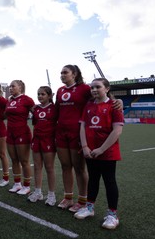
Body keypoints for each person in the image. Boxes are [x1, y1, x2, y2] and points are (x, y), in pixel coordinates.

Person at [74, 78, 124, 230]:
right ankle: (89, 208)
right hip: (90, 151)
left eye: (98, 87)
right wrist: (85, 147)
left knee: (109, 181)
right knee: (93, 179)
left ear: (107, 88)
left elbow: (117, 130)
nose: (94, 90)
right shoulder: (88, 105)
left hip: (107, 152)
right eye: (92, 87)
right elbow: (82, 127)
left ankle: (112, 215)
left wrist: (101, 149)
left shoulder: (114, 105)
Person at [55, 65, 91, 211]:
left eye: (65, 72)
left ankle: (82, 200)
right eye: (61, 73)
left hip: (77, 133)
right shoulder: (60, 90)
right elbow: (56, 110)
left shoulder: (85, 88)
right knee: (65, 166)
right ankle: (68, 198)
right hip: (61, 133)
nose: (62, 75)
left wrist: (117, 102)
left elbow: (100, 97)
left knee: (79, 168)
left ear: (74, 74)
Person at [28, 86, 57, 205]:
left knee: (49, 168)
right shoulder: (36, 109)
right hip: (37, 140)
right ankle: (38, 192)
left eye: (43, 94)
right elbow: (35, 124)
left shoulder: (55, 109)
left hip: (49, 141)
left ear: (49, 96)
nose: (40, 96)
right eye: (38, 94)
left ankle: (51, 195)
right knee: (37, 166)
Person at [5, 80, 35, 195]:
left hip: (22, 133)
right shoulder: (10, 100)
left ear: (20, 88)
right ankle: (17, 184)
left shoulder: (27, 99)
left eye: (13, 86)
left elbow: (36, 113)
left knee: (24, 161)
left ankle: (26, 186)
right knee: (14, 159)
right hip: (10, 133)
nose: (10, 88)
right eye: (10, 86)